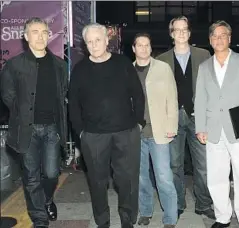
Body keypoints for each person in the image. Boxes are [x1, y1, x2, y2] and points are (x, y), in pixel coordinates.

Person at [68, 23, 145, 228]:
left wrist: (138, 123)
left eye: (98, 40)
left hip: (126, 133)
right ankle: (103, 222)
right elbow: (73, 104)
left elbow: (137, 94)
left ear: (106, 40)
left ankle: (127, 220)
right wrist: (81, 132)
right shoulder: (79, 70)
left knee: (127, 181)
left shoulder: (123, 63)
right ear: (85, 44)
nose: (94, 45)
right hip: (93, 136)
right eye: (89, 42)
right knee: (97, 182)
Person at [0, 17, 68, 228]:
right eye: (35, 32)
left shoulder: (59, 64)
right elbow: (7, 96)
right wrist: (23, 115)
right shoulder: (14, 65)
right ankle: (40, 219)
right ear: (26, 36)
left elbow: (63, 92)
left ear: (49, 35)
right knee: (31, 178)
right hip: (26, 129)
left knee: (50, 173)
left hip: (52, 129)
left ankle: (47, 199)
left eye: (44, 32)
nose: (40, 36)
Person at [195, 20, 239, 228]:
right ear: (210, 40)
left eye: (222, 35)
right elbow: (200, 99)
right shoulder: (205, 67)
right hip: (214, 130)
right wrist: (200, 128)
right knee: (216, 177)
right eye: (214, 36)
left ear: (229, 38)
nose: (218, 39)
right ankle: (222, 216)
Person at [156, 16, 214, 219]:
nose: (181, 33)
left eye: (184, 29)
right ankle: (178, 203)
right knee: (174, 165)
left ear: (189, 33)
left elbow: (212, 86)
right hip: (172, 119)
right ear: (171, 34)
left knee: (204, 165)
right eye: (176, 30)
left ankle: (203, 204)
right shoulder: (161, 59)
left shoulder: (204, 55)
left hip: (198, 117)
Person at [132, 33, 178, 228]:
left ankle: (170, 217)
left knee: (163, 177)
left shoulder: (162, 68)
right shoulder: (127, 70)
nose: (143, 48)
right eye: (139, 45)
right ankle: (146, 211)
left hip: (159, 131)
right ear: (133, 49)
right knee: (141, 177)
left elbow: (172, 98)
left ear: (151, 48)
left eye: (147, 45)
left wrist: (171, 126)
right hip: (135, 133)